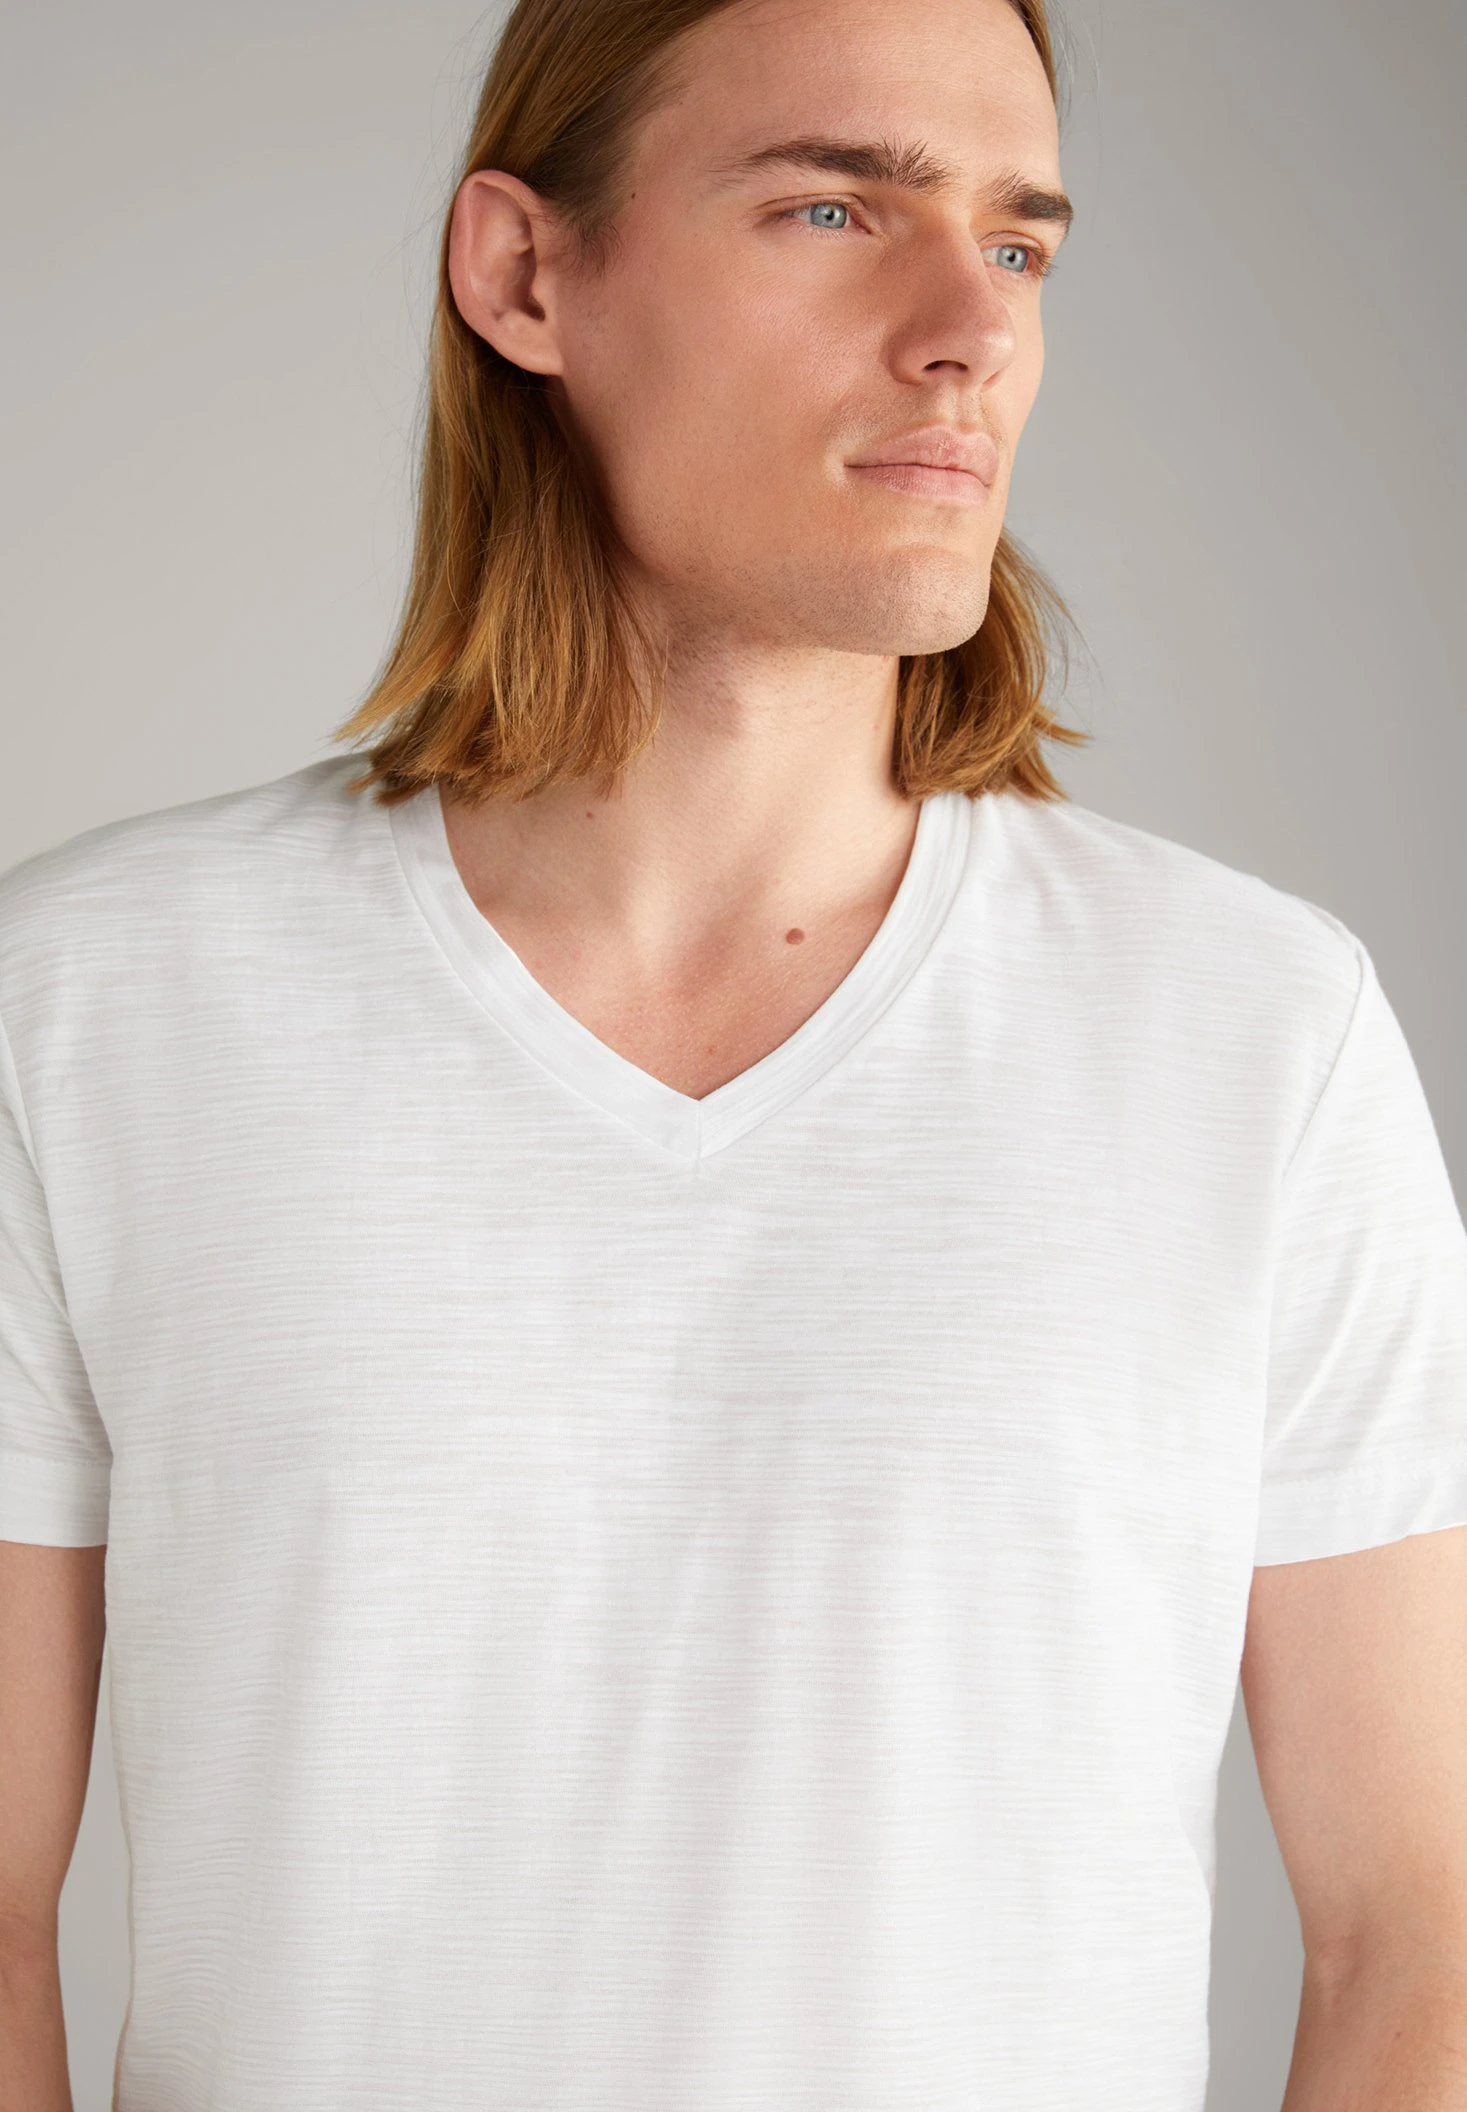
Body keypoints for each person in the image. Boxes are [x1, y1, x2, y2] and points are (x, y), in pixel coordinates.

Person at [2, 0, 1465, 2103]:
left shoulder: (1256, 1036)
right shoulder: (90, 1008)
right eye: (833, 209)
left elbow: (1416, 1933)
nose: (972, 327)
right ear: (526, 274)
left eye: (1019, 241)